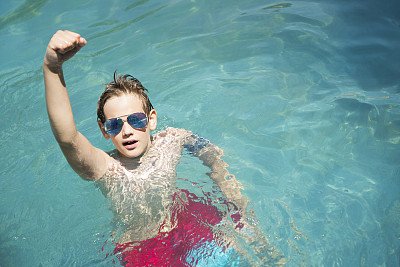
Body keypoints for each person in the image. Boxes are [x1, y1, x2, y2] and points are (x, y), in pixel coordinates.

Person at [43, 30, 285, 266]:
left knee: (249, 249)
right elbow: (68, 138)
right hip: (145, 249)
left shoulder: (173, 140)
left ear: (151, 120)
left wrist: (236, 202)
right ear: (104, 130)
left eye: (136, 120)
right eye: (115, 124)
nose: (127, 131)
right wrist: (52, 68)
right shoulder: (106, 167)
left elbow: (211, 154)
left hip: (187, 221)